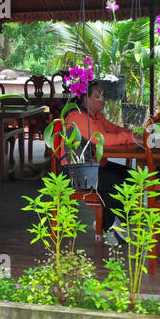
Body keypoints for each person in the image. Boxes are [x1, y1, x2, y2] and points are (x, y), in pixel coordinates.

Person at [60, 79, 146, 244]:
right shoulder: (77, 117)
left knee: (131, 176)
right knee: (117, 183)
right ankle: (109, 226)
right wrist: (129, 138)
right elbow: (101, 139)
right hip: (76, 171)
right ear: (86, 98)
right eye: (99, 96)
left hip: (93, 166)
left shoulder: (96, 117)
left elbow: (114, 130)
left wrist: (132, 134)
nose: (104, 100)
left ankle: (113, 222)